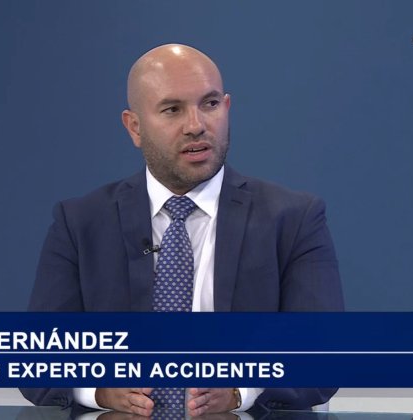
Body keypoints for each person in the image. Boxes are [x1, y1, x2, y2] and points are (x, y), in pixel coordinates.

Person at [20, 44, 344, 416]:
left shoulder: (293, 219)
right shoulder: (80, 223)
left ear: (227, 108)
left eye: (210, 104)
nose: (196, 125)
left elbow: (323, 356)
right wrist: (101, 390)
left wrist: (239, 390)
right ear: (135, 127)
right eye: (172, 109)